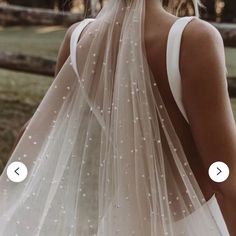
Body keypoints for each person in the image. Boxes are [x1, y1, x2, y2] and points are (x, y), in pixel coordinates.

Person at [0, 0, 236, 235]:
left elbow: (28, 140)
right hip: (194, 224)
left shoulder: (79, 40)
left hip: (120, 224)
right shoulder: (194, 39)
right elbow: (227, 174)